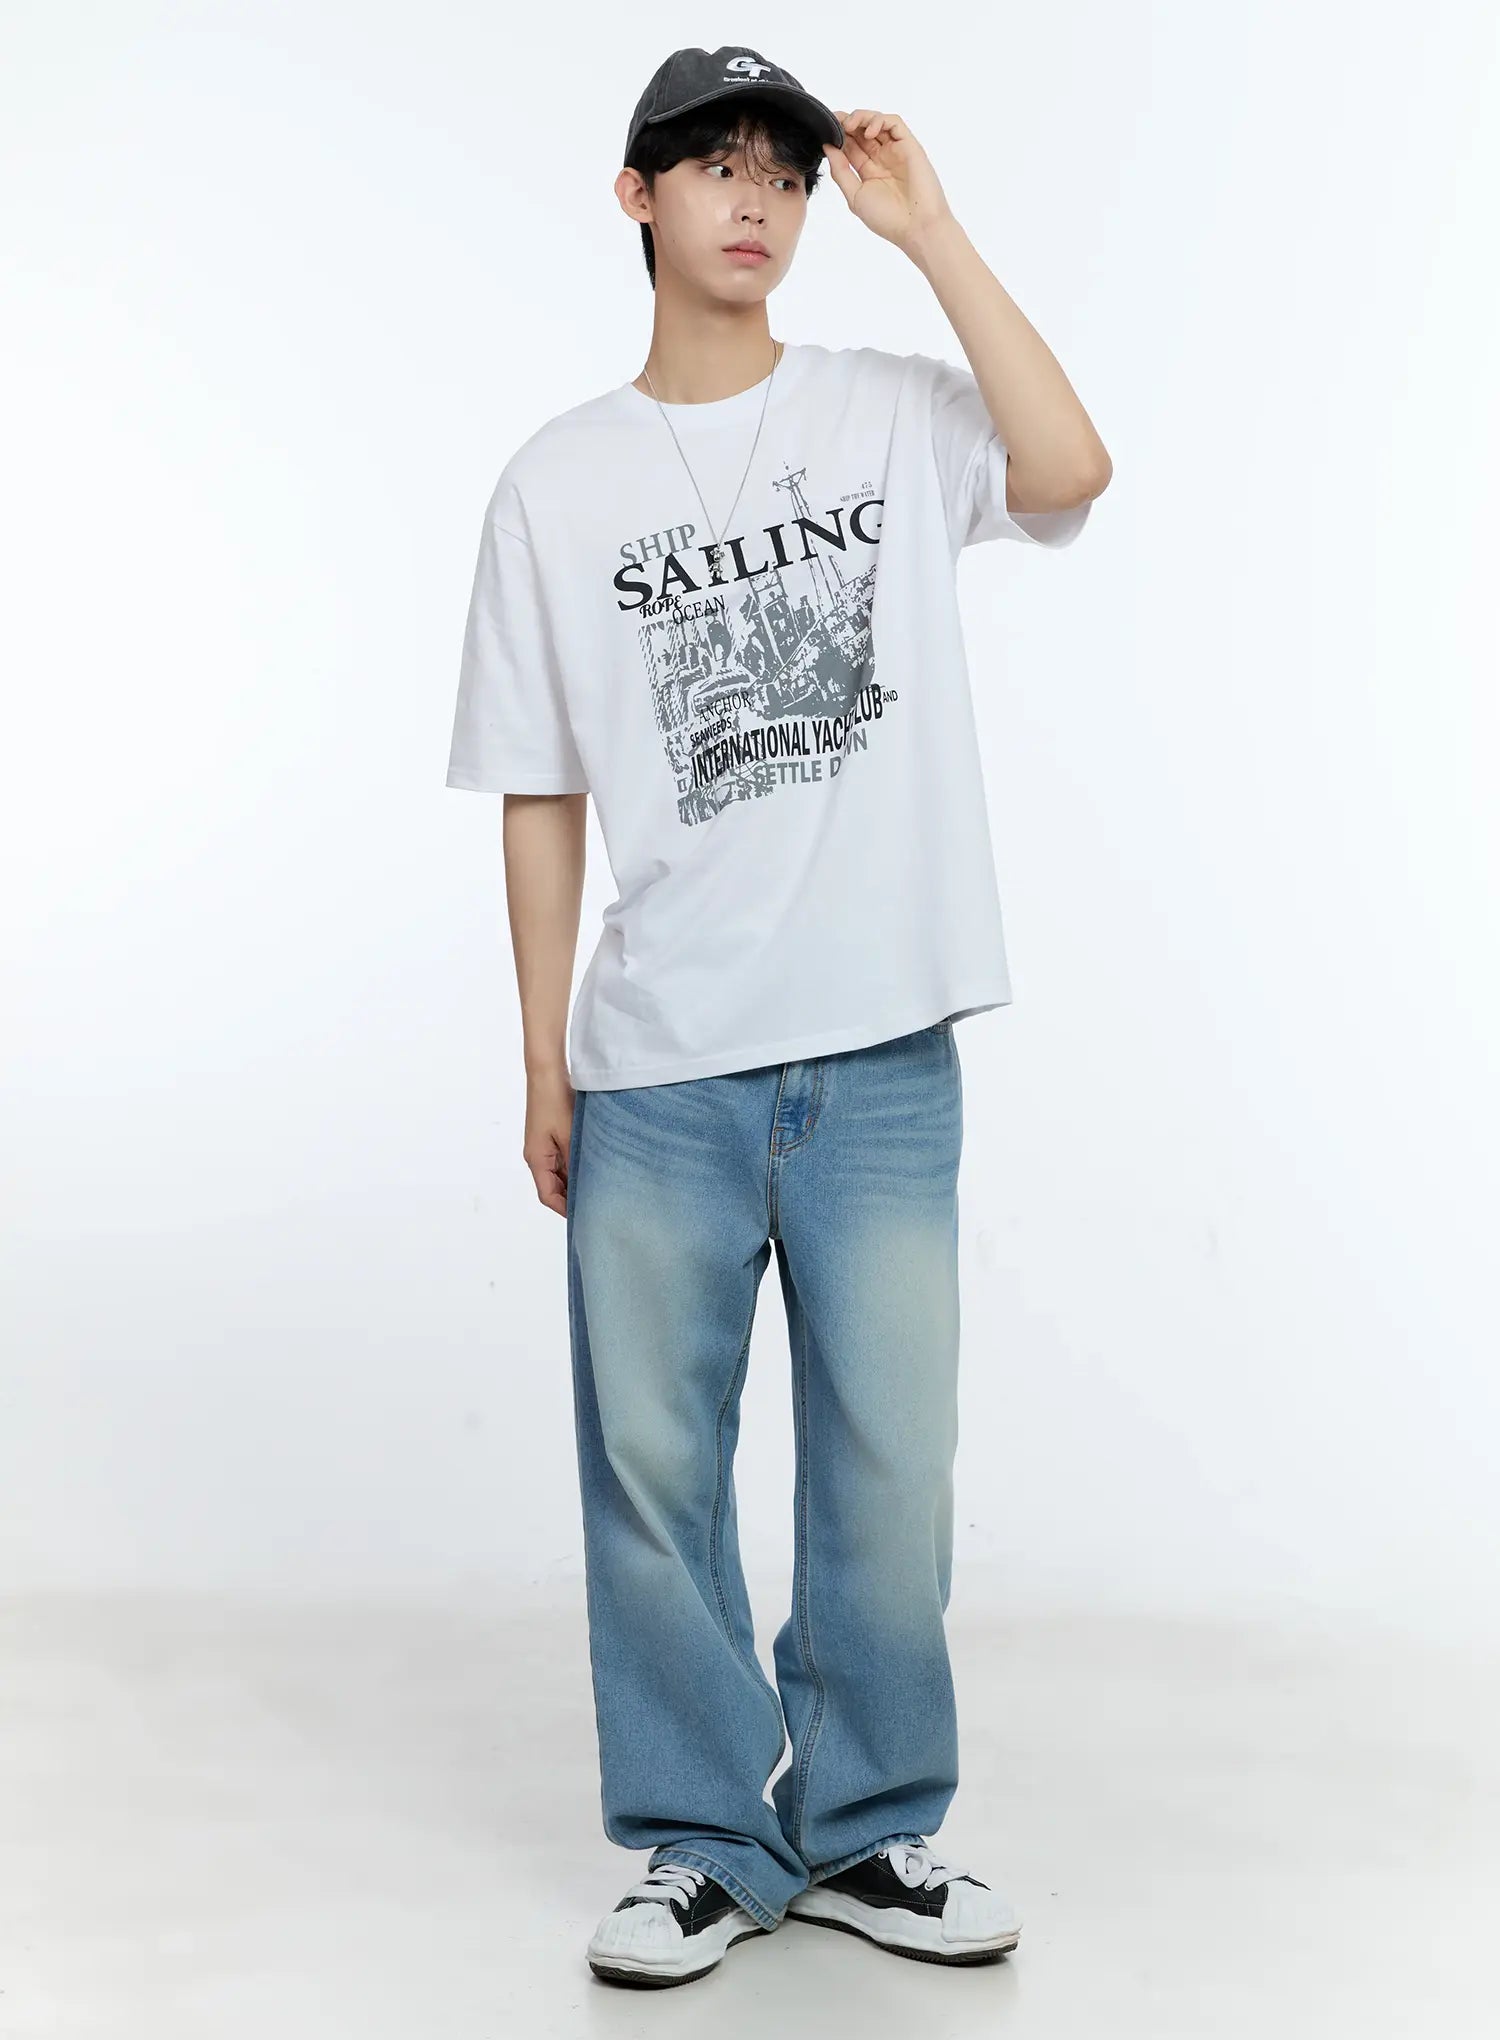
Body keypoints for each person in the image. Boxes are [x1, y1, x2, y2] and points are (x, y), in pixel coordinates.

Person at [445, 45, 1111, 1990]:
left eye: (787, 174)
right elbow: (541, 788)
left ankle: (867, 1829)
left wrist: (933, 235)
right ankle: (701, 1840)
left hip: (881, 1051)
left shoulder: (888, 413)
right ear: (636, 195)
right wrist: (541, 1053)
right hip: (658, 1064)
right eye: (716, 165)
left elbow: (1070, 472)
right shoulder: (556, 483)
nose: (758, 199)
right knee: (653, 1477)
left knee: (890, 1471)